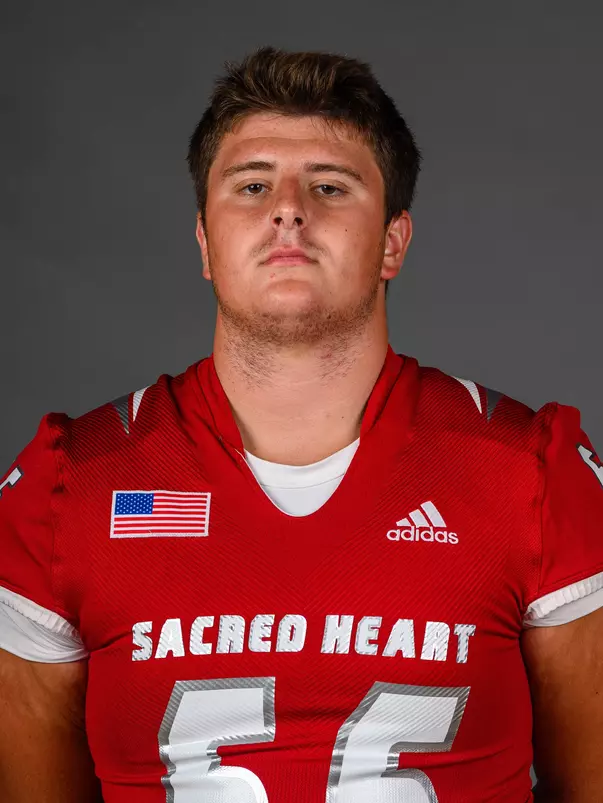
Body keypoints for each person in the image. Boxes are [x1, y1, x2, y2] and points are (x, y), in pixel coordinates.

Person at [0, 45, 602, 803]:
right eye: (252, 186)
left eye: (329, 186)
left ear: (392, 242)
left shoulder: (529, 472)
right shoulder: (69, 485)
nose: (288, 209)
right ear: (204, 242)